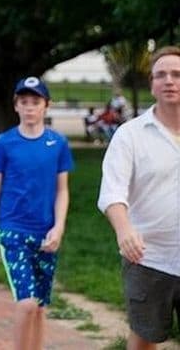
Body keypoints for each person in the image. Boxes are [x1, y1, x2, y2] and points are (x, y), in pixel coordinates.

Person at [98, 46, 180, 350]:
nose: (169, 81)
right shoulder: (130, 135)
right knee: (144, 340)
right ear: (152, 84)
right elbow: (112, 192)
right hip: (148, 258)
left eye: (177, 74)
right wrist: (124, 230)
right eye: (161, 75)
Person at [0, 76, 73, 350]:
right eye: (24, 102)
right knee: (27, 303)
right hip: (13, 231)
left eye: (36, 102)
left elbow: (62, 191)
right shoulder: (4, 143)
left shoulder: (57, 143)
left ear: (46, 106)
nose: (30, 107)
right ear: (16, 106)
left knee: (40, 306)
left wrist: (58, 227)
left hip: (46, 233)